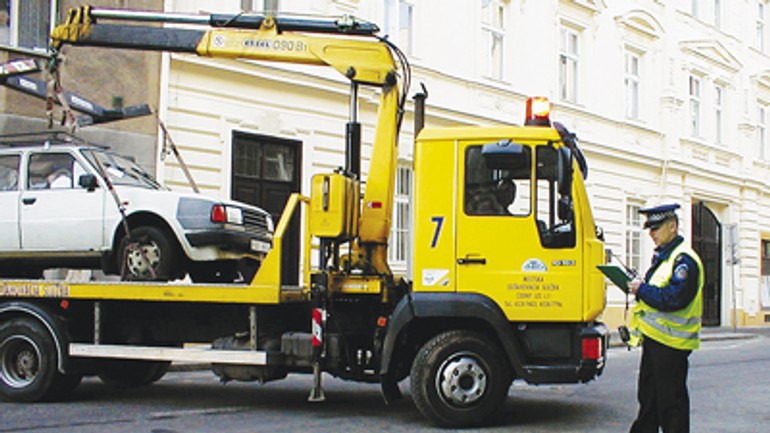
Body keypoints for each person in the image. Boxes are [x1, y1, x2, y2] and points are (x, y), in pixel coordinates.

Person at [626, 203, 704, 433]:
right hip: (655, 341)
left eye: (656, 228)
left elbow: (672, 299)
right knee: (648, 400)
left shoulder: (684, 261)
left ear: (672, 226)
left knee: (672, 406)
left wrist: (641, 289)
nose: (651, 233)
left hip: (671, 345)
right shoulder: (664, 257)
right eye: (649, 229)